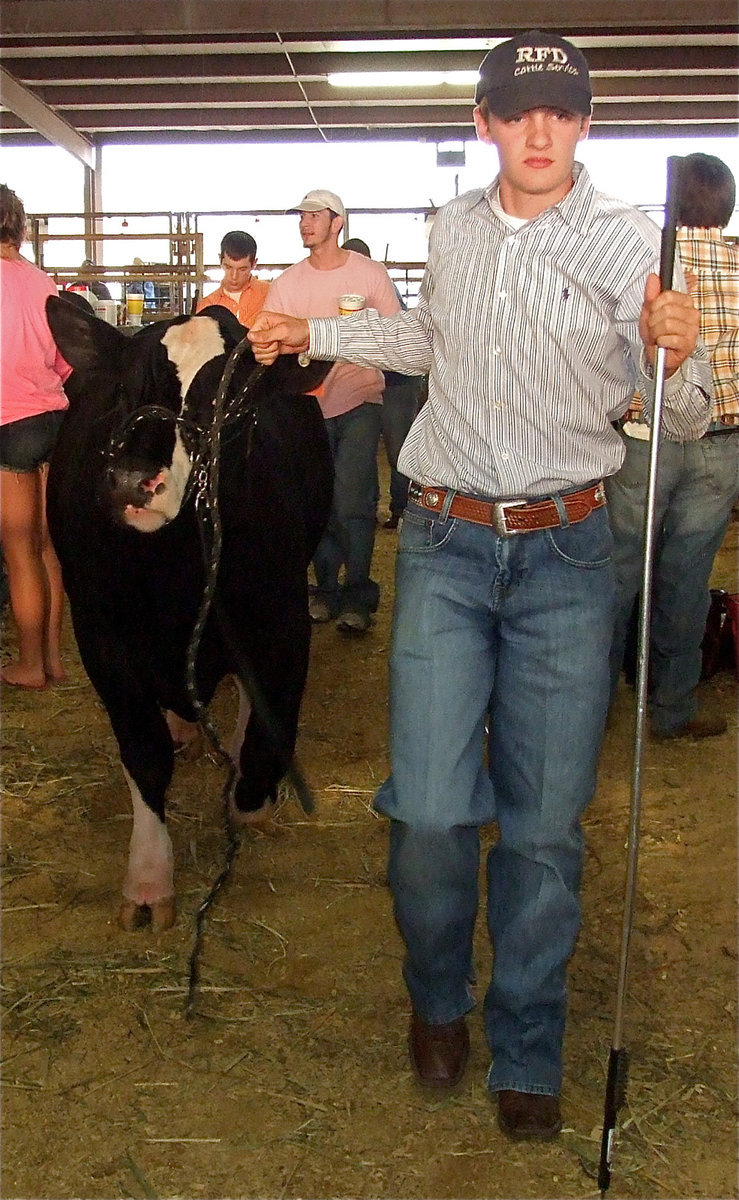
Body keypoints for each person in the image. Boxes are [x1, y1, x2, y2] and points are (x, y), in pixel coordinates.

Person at [247, 31, 710, 1139]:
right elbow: (429, 334)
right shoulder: (450, 229)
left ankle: (532, 1041)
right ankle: (437, 997)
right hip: (447, 546)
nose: (538, 131)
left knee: (545, 831)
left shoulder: (627, 243)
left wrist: (677, 354)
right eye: (517, 110)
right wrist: (318, 327)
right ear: (486, 123)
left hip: (567, 554)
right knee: (433, 816)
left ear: (587, 124)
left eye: (560, 112)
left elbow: (680, 418)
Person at [606, 152, 738, 739]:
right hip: (720, 442)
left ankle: (592, 701)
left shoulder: (647, 266)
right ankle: (670, 708)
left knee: (616, 573)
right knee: (686, 580)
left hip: (642, 440)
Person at [266, 190, 403, 634]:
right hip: (307, 407)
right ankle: (324, 589)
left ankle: (359, 592)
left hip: (360, 396)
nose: (305, 223)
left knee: (352, 498)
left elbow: (399, 332)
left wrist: (361, 338)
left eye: (314, 215)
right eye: (301, 216)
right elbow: (270, 341)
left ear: (337, 222)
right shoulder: (287, 283)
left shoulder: (369, 275)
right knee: (319, 500)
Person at [0, 183, 71, 690]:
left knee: (18, 549)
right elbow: (66, 360)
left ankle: (28, 665)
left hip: (10, 423)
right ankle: (52, 657)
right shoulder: (43, 281)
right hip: (52, 417)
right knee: (48, 547)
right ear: (20, 228)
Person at [343, 237, 425, 530]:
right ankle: (369, 507)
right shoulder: (351, 290)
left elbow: (398, 330)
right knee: (364, 448)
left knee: (398, 448)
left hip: (396, 379)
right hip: (370, 380)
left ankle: (403, 509)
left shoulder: (379, 284)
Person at [196, 230, 269, 328]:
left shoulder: (271, 295)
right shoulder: (207, 306)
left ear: (254, 264)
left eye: (242, 269)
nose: (234, 276)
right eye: (229, 267)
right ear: (220, 260)